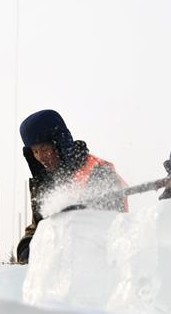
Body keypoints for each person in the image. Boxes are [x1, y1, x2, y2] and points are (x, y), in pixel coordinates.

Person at [17, 109, 127, 263]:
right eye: (35, 151)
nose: (40, 157)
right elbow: (38, 226)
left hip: (98, 263)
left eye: (44, 149)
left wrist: (79, 216)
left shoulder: (98, 170)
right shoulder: (45, 184)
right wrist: (27, 246)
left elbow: (114, 221)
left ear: (60, 143)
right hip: (58, 268)